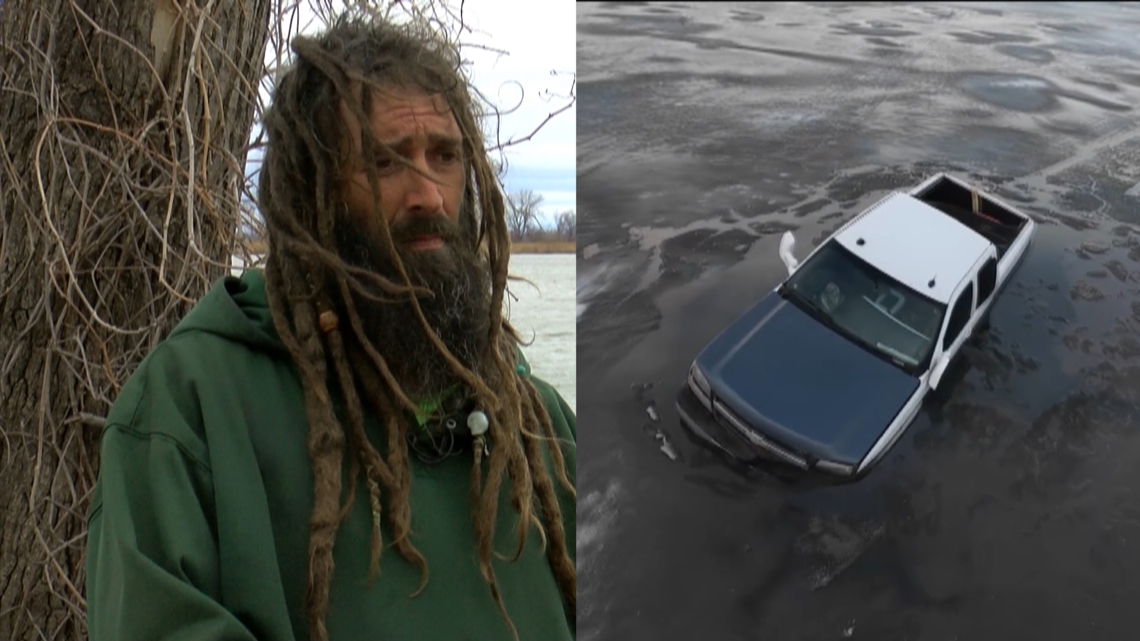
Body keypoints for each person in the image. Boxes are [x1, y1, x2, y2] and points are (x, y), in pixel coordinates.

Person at [84, 14, 576, 641]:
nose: (428, 194)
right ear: (313, 192)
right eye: (387, 161)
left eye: (445, 156)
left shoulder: (540, 427)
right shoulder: (191, 412)